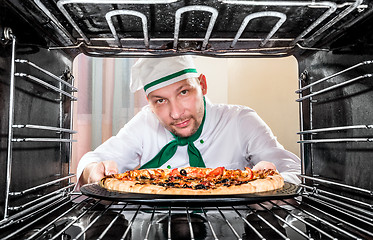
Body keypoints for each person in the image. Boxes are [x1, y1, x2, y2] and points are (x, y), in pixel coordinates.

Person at [77, 55, 301, 188]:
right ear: (149, 102)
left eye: (184, 92)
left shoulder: (241, 121)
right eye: (161, 101)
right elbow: (93, 162)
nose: (175, 113)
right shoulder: (145, 122)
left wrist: (271, 176)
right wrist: (93, 171)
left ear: (202, 85)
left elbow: (295, 171)